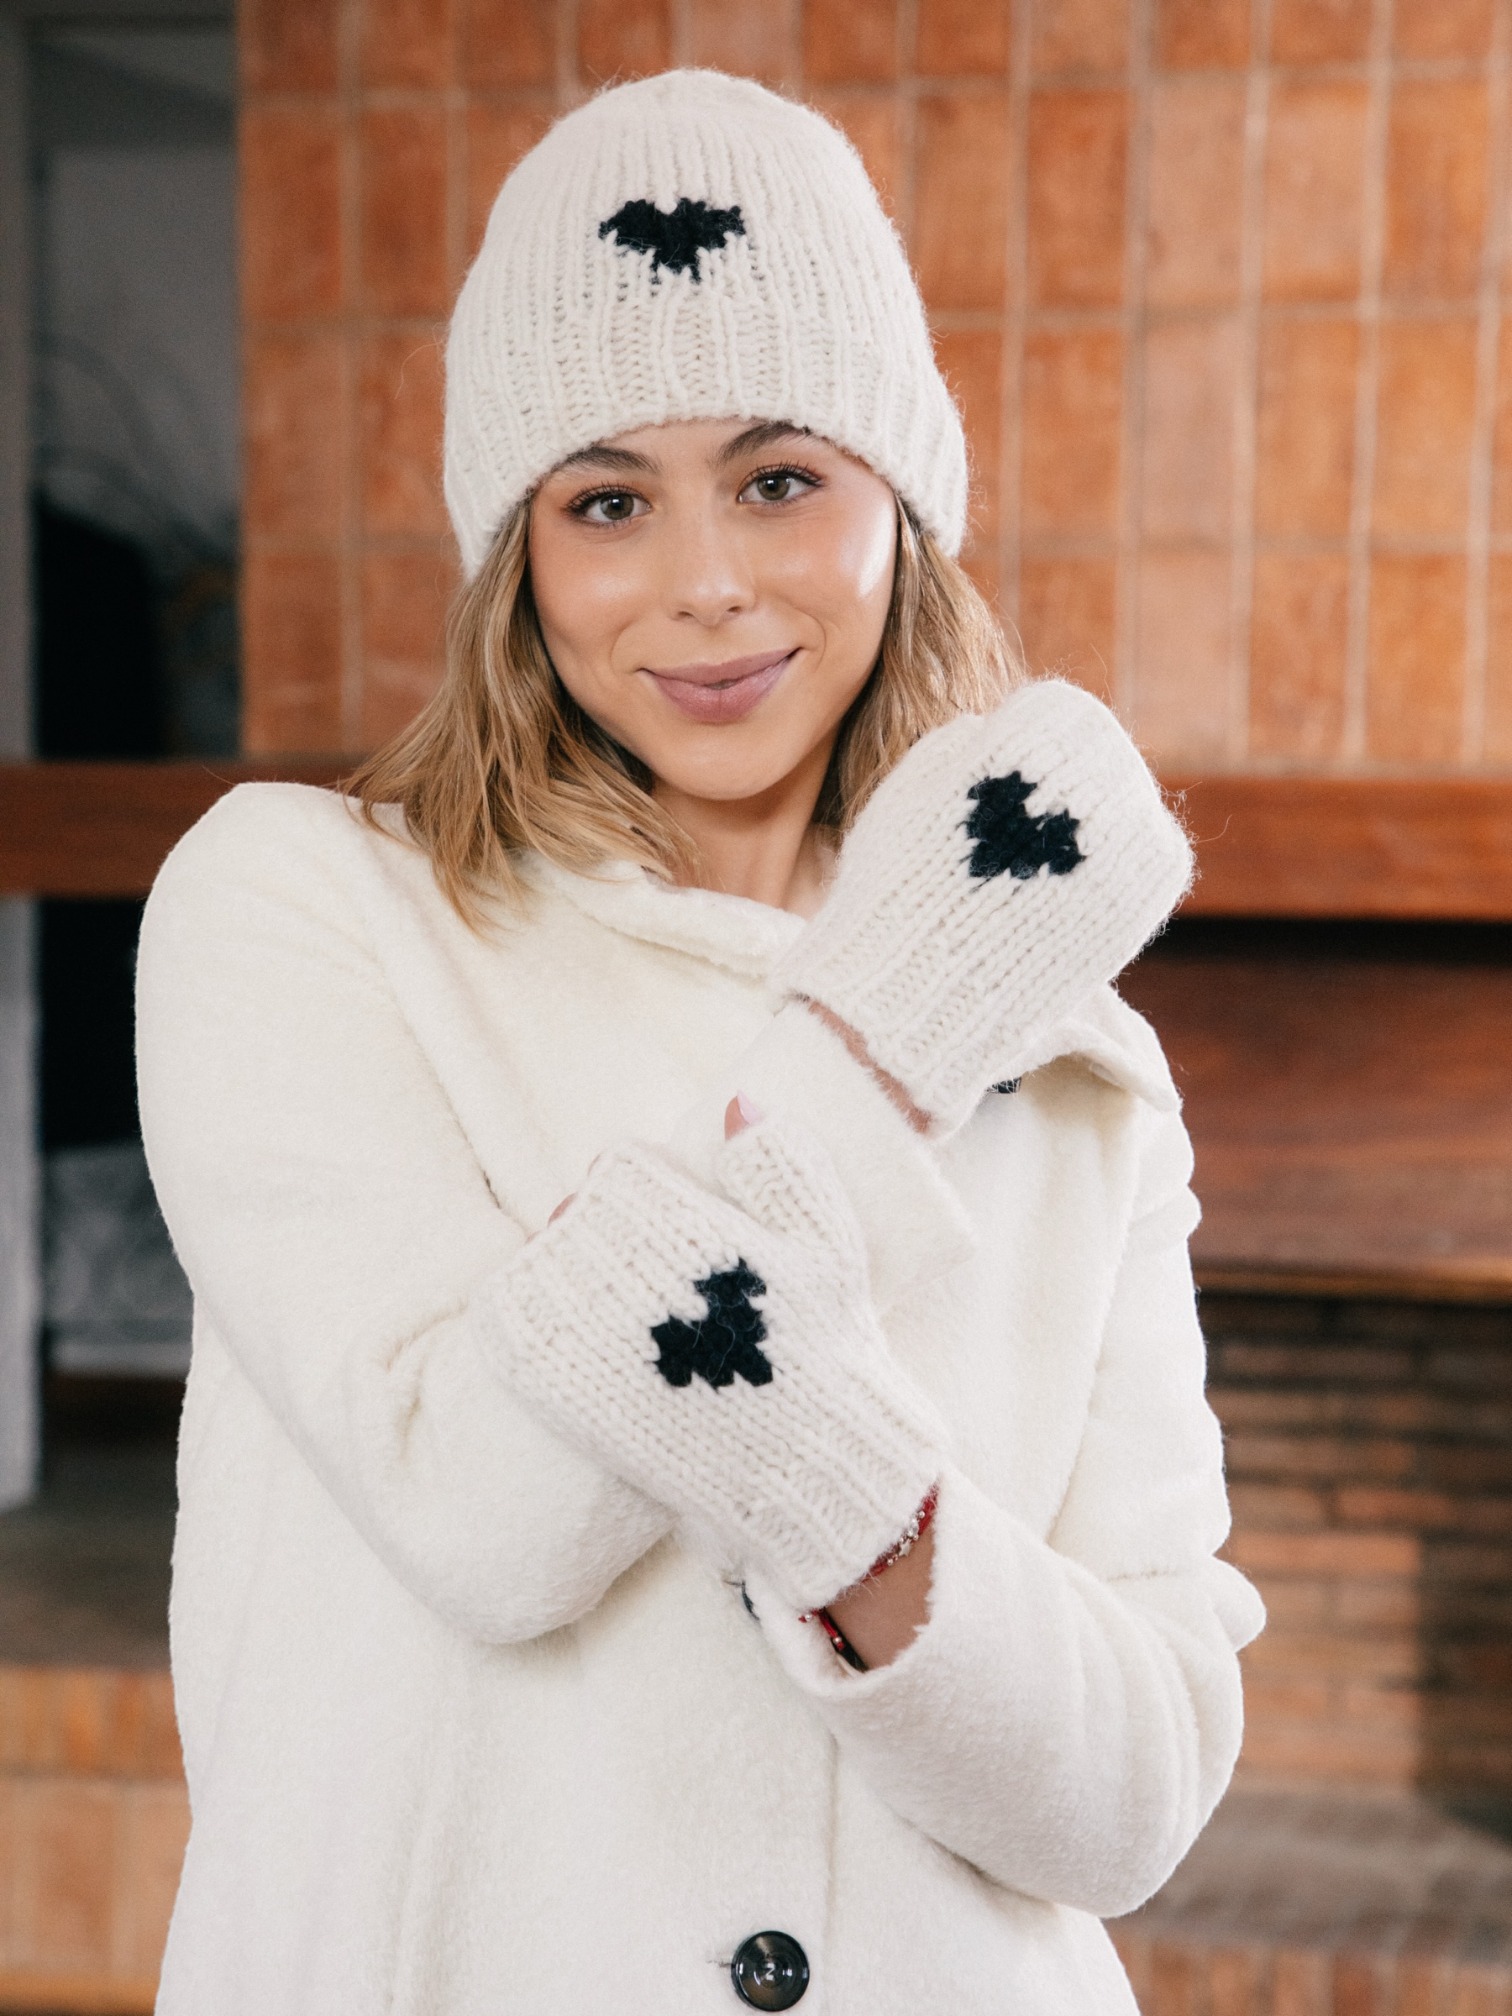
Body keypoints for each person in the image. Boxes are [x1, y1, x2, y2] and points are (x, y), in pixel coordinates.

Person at [137, 68, 1264, 2016]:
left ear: (896, 504)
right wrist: (885, 1045)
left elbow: (1142, 1793)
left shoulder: (1070, 1061)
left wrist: (845, 1507)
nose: (708, 582)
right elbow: (483, 1521)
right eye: (606, 502)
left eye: (777, 477)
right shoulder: (303, 914)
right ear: (521, 560)